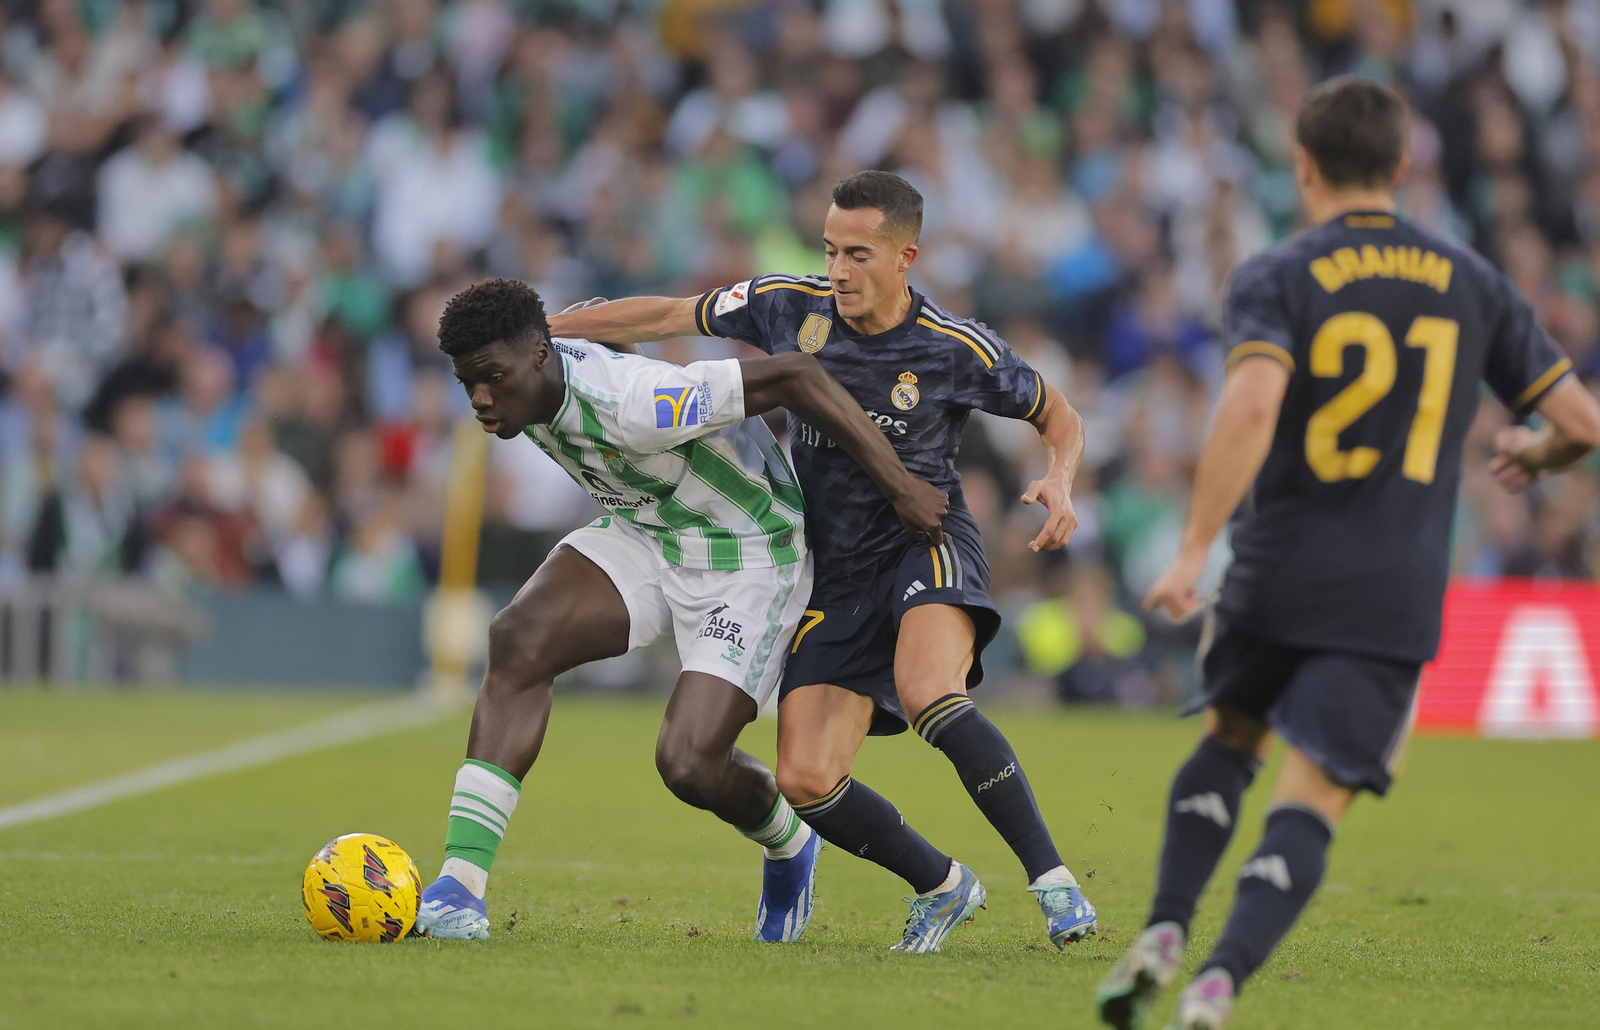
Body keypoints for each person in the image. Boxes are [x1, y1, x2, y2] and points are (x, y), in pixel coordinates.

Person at [1095, 78, 1600, 1030]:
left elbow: (1248, 405)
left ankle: (1164, 929)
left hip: (1276, 564)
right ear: (1404, 168)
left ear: (1303, 164)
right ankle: (1220, 984)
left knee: (1228, 742)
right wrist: (1540, 451)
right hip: (1393, 587)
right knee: (1314, 795)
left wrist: (1193, 546)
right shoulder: (1474, 280)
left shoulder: (1278, 273)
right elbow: (1580, 419)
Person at [548, 170, 1097, 953]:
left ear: (906, 256)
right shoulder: (787, 305)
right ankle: (943, 886)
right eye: (832, 250)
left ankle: (1055, 885)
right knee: (804, 778)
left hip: (925, 541)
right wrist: (553, 327)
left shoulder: (953, 347)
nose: (838, 270)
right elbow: (672, 312)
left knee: (928, 689)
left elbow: (1059, 413)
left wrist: (1061, 479)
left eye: (859, 255)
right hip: (833, 568)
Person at [416, 279, 948, 942]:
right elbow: (586, 327)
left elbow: (796, 374)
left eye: (492, 379)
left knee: (689, 764)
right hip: (648, 528)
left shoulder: (638, 405)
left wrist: (901, 488)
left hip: (748, 552)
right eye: (468, 384)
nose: (481, 401)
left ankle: (789, 841)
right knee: (519, 639)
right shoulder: (537, 375)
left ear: (538, 356)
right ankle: (460, 890)